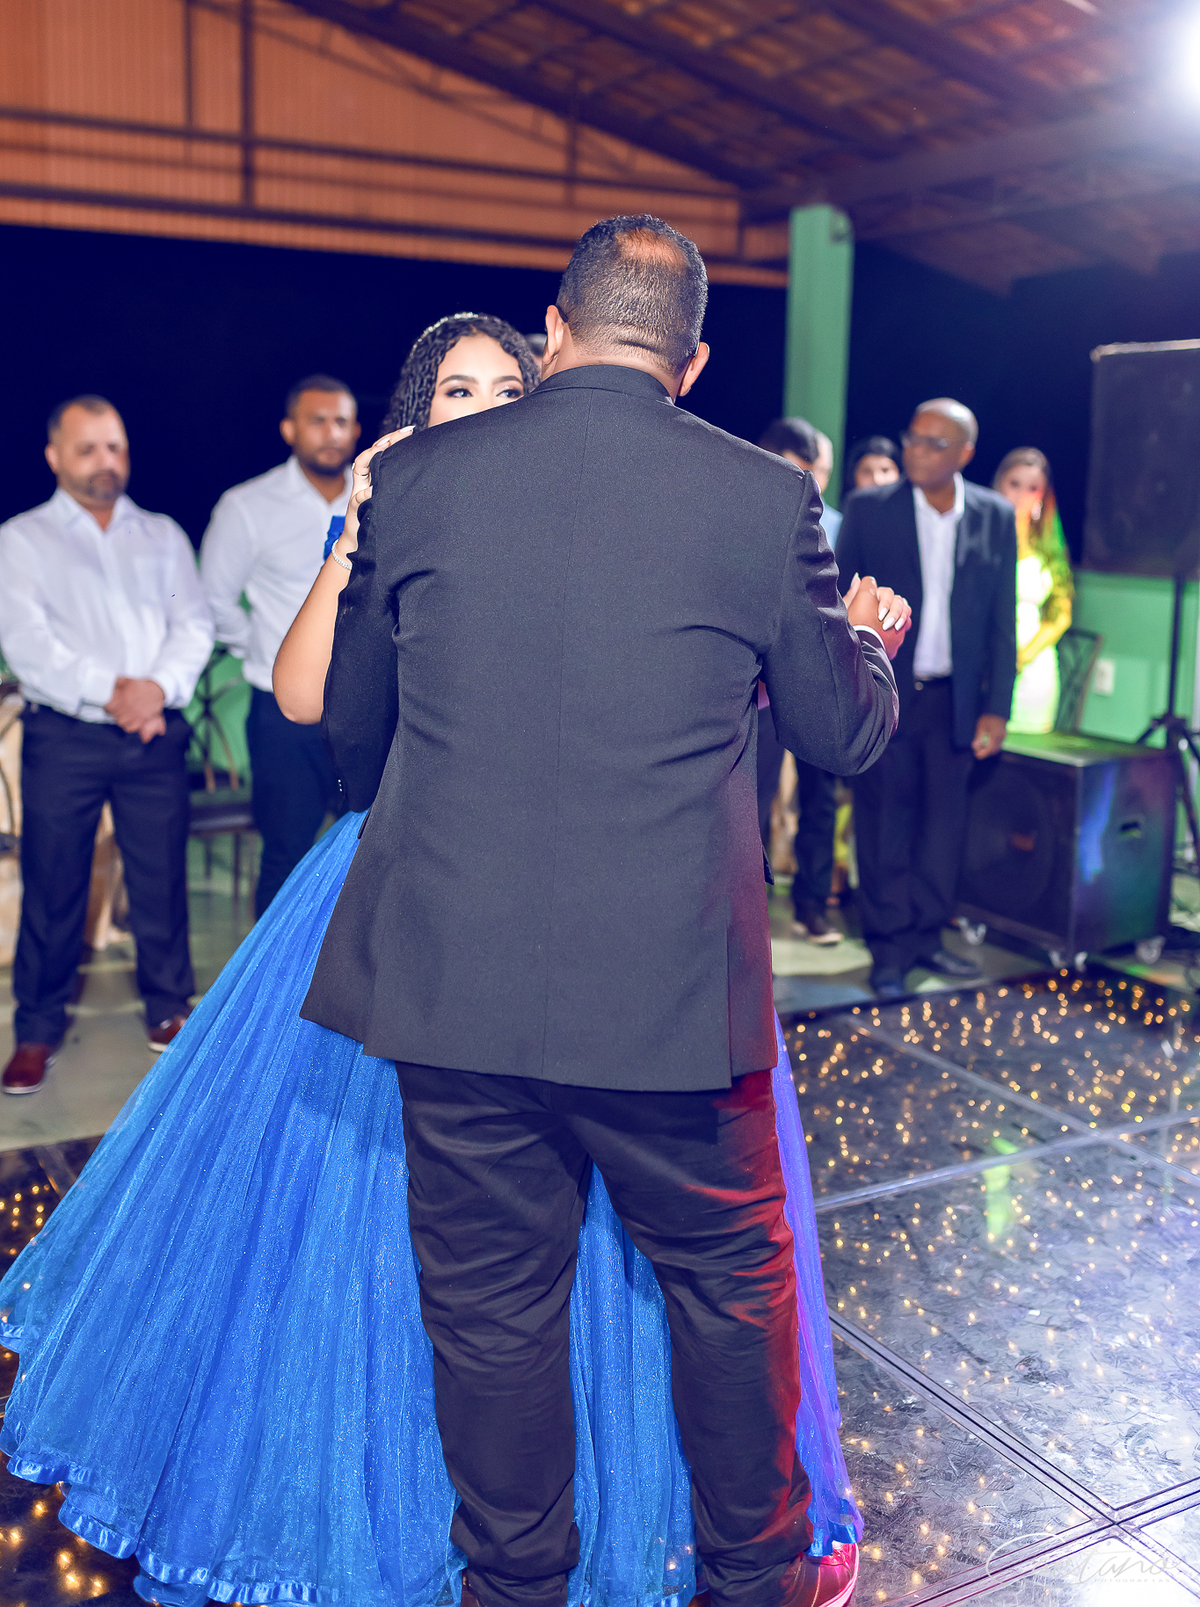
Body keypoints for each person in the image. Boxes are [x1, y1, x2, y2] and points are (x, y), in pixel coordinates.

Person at [0, 307, 882, 1607]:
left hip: (573, 928)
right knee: (408, 1258)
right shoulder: (402, 503)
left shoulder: (569, 510)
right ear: (418, 408)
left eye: (506, 386)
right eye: (458, 391)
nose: (483, 408)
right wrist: (358, 533)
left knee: (555, 1274)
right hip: (414, 893)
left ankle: (569, 1545)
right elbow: (313, 702)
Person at [302, 215, 910, 1607]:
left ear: (554, 329)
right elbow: (840, 736)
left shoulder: (418, 482)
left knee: (491, 1318)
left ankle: (514, 1586)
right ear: (690, 363)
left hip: (455, 993)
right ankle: (754, 1578)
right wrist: (872, 646)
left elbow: (352, 737)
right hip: (670, 1010)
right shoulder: (766, 498)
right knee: (729, 1292)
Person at [0, 395, 213, 1093]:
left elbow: (194, 626)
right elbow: (28, 643)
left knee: (161, 879)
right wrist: (118, 692)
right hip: (65, 736)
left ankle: (168, 1008)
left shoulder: (162, 534)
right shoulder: (22, 539)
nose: (106, 461)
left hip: (153, 734)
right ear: (54, 456)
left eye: (115, 446)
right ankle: (36, 1028)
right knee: (53, 882)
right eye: (87, 448)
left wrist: (157, 690)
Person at [836, 397, 1017, 1002]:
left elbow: (1003, 621)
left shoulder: (994, 515)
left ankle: (926, 937)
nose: (914, 450)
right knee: (884, 825)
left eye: (932, 442)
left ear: (965, 454)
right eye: (911, 437)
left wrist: (998, 708)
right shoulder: (870, 509)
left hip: (955, 701)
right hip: (885, 695)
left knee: (944, 829)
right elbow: (835, 604)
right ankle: (888, 948)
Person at [199, 374, 359, 915]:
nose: (332, 432)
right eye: (318, 421)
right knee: (287, 857)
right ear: (290, 429)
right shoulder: (248, 505)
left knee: (366, 856)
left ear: (356, 429)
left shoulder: (379, 494)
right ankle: (271, 973)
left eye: (342, 421)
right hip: (284, 718)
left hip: (362, 706)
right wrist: (268, 654)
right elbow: (215, 601)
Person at [754, 419, 843, 944]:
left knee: (818, 797)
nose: (811, 483)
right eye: (800, 470)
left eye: (820, 472)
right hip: (754, 690)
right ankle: (748, 914)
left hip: (812, 681)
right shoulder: (744, 511)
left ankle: (809, 907)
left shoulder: (839, 523)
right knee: (750, 799)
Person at [992, 448, 1073, 735]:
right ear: (999, 484)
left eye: (1033, 488)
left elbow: (1060, 615)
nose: (1021, 495)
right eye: (1014, 484)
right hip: (989, 664)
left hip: (1034, 666)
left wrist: (1023, 656)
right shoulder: (980, 539)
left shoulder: (1049, 545)